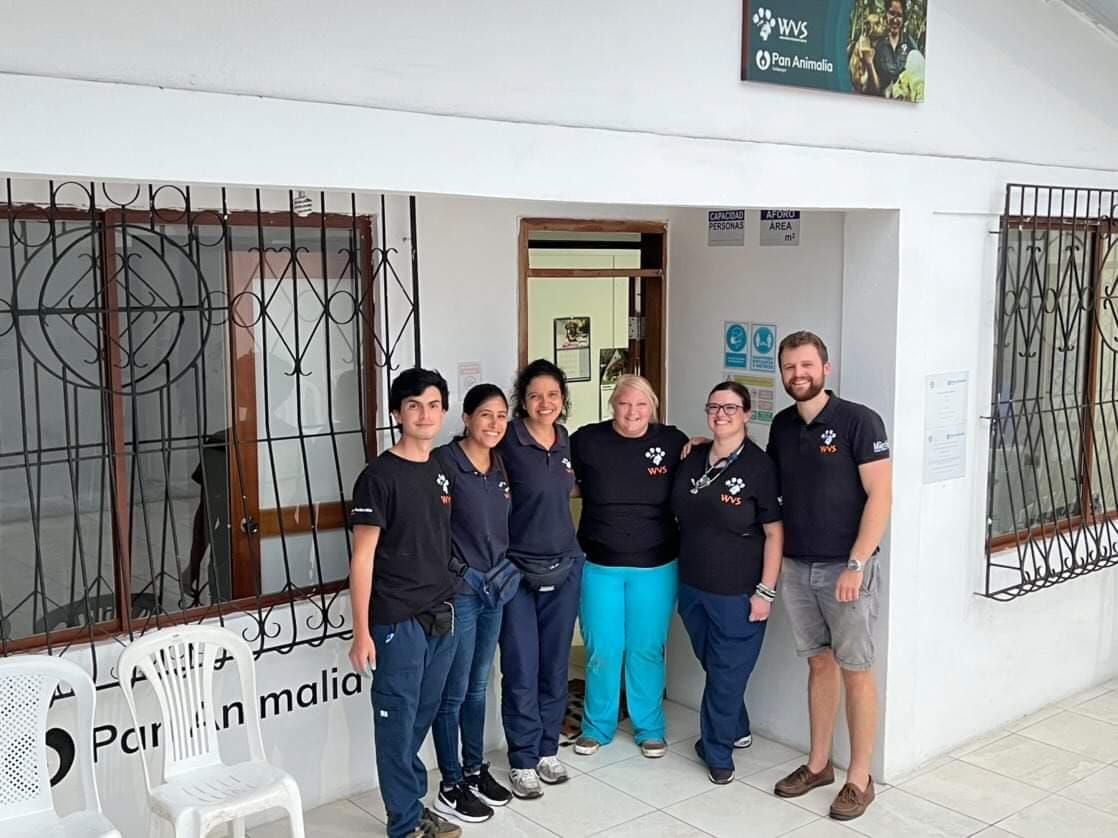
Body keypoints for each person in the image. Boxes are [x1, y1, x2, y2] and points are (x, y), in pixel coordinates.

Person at [767, 331, 891, 822]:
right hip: (798, 566)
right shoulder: (781, 425)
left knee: (856, 669)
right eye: (790, 367)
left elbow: (880, 495)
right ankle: (818, 765)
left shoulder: (860, 421)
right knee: (819, 664)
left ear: (825, 368)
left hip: (847, 568)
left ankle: (859, 778)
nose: (798, 374)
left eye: (806, 365)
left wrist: (856, 563)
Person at [347, 368, 462, 838]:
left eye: (433, 405)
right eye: (414, 405)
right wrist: (361, 632)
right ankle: (405, 823)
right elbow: (362, 558)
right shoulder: (378, 477)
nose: (424, 414)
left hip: (441, 614)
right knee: (397, 722)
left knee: (421, 715)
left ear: (443, 411)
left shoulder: (440, 469)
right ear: (397, 413)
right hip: (397, 620)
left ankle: (410, 804)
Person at [568, 375, 687, 759]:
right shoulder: (587, 440)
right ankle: (596, 727)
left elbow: (698, 472)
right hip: (598, 564)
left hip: (656, 565)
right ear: (612, 405)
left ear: (652, 407)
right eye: (624, 403)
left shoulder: (673, 442)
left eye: (641, 405)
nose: (632, 412)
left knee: (646, 648)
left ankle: (649, 727)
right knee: (602, 648)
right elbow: (559, 478)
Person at [671, 381, 783, 785]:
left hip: (738, 593)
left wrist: (765, 592)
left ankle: (717, 752)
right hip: (692, 587)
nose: (721, 415)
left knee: (726, 674)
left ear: (747, 414)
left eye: (731, 408)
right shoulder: (692, 457)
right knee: (718, 667)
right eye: (714, 407)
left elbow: (774, 533)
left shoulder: (760, 467)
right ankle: (736, 726)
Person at [497, 359, 584, 800]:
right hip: (517, 571)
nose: (544, 403)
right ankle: (522, 758)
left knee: (554, 665)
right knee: (520, 667)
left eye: (552, 395)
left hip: (565, 567)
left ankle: (548, 748)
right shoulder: (506, 440)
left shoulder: (565, 439)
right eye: (535, 396)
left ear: (562, 400)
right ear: (523, 401)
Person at [431, 384, 516, 824]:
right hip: (460, 593)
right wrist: (464, 574)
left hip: (494, 591)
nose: (494, 423)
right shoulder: (444, 463)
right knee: (454, 689)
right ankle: (450, 785)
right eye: (485, 414)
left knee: (480, 685)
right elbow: (431, 532)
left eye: (501, 415)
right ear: (466, 418)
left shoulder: (500, 463)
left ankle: (473, 769)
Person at [872, 0, 919, 95]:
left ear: (903, 18)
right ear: (886, 14)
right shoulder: (877, 43)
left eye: (899, 15)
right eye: (892, 13)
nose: (895, 19)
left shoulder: (909, 42)